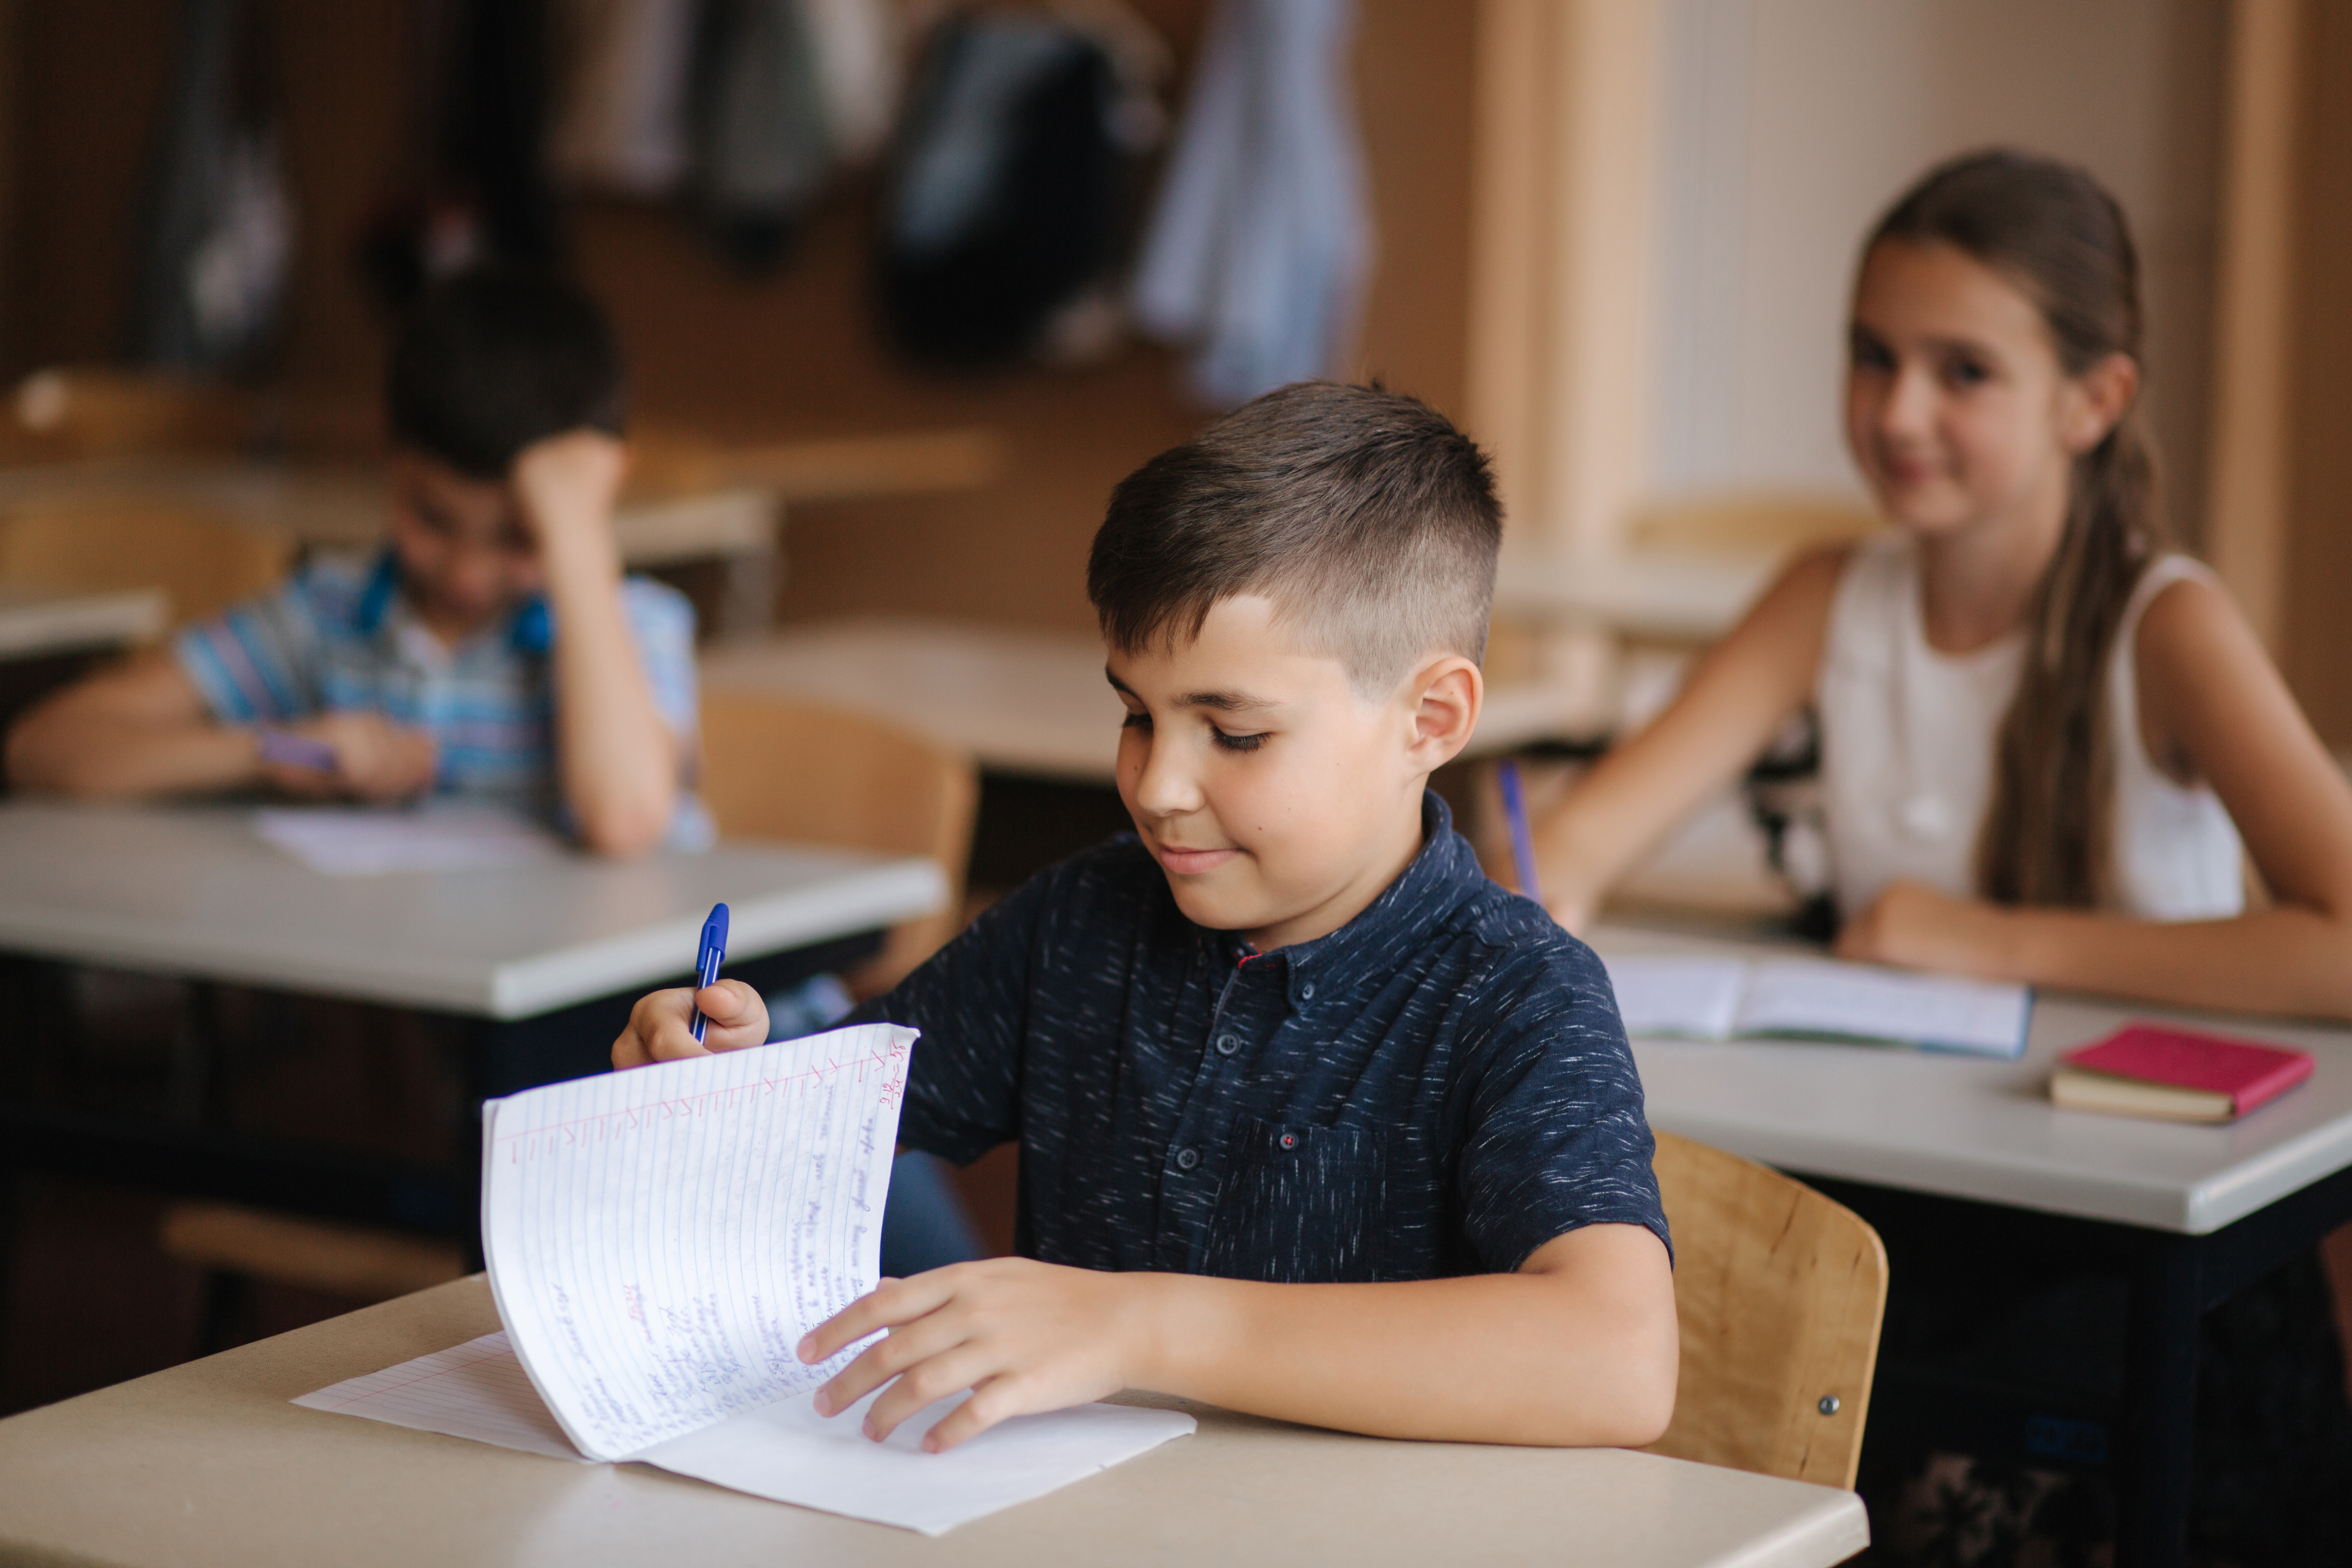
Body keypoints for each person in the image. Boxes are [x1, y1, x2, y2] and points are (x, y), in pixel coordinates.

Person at [612, 383, 1679, 1453]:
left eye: (1236, 733)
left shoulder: (1517, 990)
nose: (1157, 784)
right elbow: (831, 1135)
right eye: (1135, 714)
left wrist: (1140, 1322)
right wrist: (729, 1094)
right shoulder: (1086, 917)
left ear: (1429, 718)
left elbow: (1619, 1361)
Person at [1533, 149, 2352, 1022]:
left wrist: (1987, 941)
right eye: (1873, 355)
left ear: (2095, 402)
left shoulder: (2169, 626)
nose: (1898, 414)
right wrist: (1542, 883)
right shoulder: (1823, 595)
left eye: (1964, 371)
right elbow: (1580, 841)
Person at [4, 268, 703, 857]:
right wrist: (275, 751)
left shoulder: (634, 626)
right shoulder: (326, 614)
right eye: (432, 519)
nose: (465, 571)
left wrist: (575, 535)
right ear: (388, 454)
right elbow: (43, 748)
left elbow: (623, 818)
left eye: (518, 539)